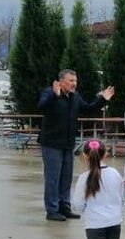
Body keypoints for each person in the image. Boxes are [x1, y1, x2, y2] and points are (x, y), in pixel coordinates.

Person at [38, 69, 114, 221]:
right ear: (60, 82)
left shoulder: (75, 96)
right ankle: (52, 210)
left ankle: (64, 207)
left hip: (68, 143)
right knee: (53, 178)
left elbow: (88, 109)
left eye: (75, 81)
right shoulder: (50, 93)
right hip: (52, 143)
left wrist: (103, 99)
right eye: (70, 81)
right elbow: (41, 107)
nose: (74, 84)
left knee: (66, 178)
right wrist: (54, 95)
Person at [71, 139, 123, 239]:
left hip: (95, 224)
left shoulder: (84, 178)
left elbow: (77, 206)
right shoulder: (114, 173)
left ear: (85, 156)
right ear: (105, 153)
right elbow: (121, 196)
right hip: (114, 221)